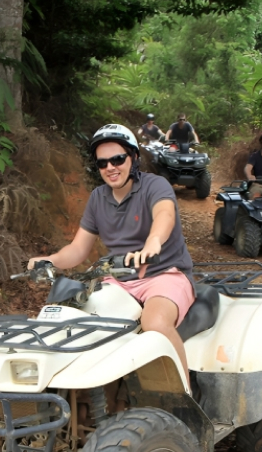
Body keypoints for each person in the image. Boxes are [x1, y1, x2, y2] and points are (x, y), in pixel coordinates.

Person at [28, 124, 195, 382]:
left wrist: (153, 241)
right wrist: (51, 260)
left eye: (118, 159)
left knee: (155, 323)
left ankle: (185, 397)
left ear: (134, 158)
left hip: (165, 275)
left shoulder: (155, 185)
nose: (110, 168)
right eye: (103, 163)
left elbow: (165, 214)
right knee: (73, 323)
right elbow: (78, 249)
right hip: (117, 278)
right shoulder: (98, 198)